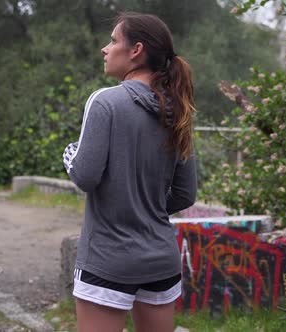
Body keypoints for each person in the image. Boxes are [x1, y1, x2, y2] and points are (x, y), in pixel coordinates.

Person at [62, 12, 197, 332]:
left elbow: (85, 176)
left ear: (136, 50)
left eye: (112, 41)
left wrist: (68, 154)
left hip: (108, 259)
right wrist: (144, 211)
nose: (104, 49)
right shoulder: (178, 109)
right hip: (161, 257)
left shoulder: (104, 102)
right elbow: (185, 194)